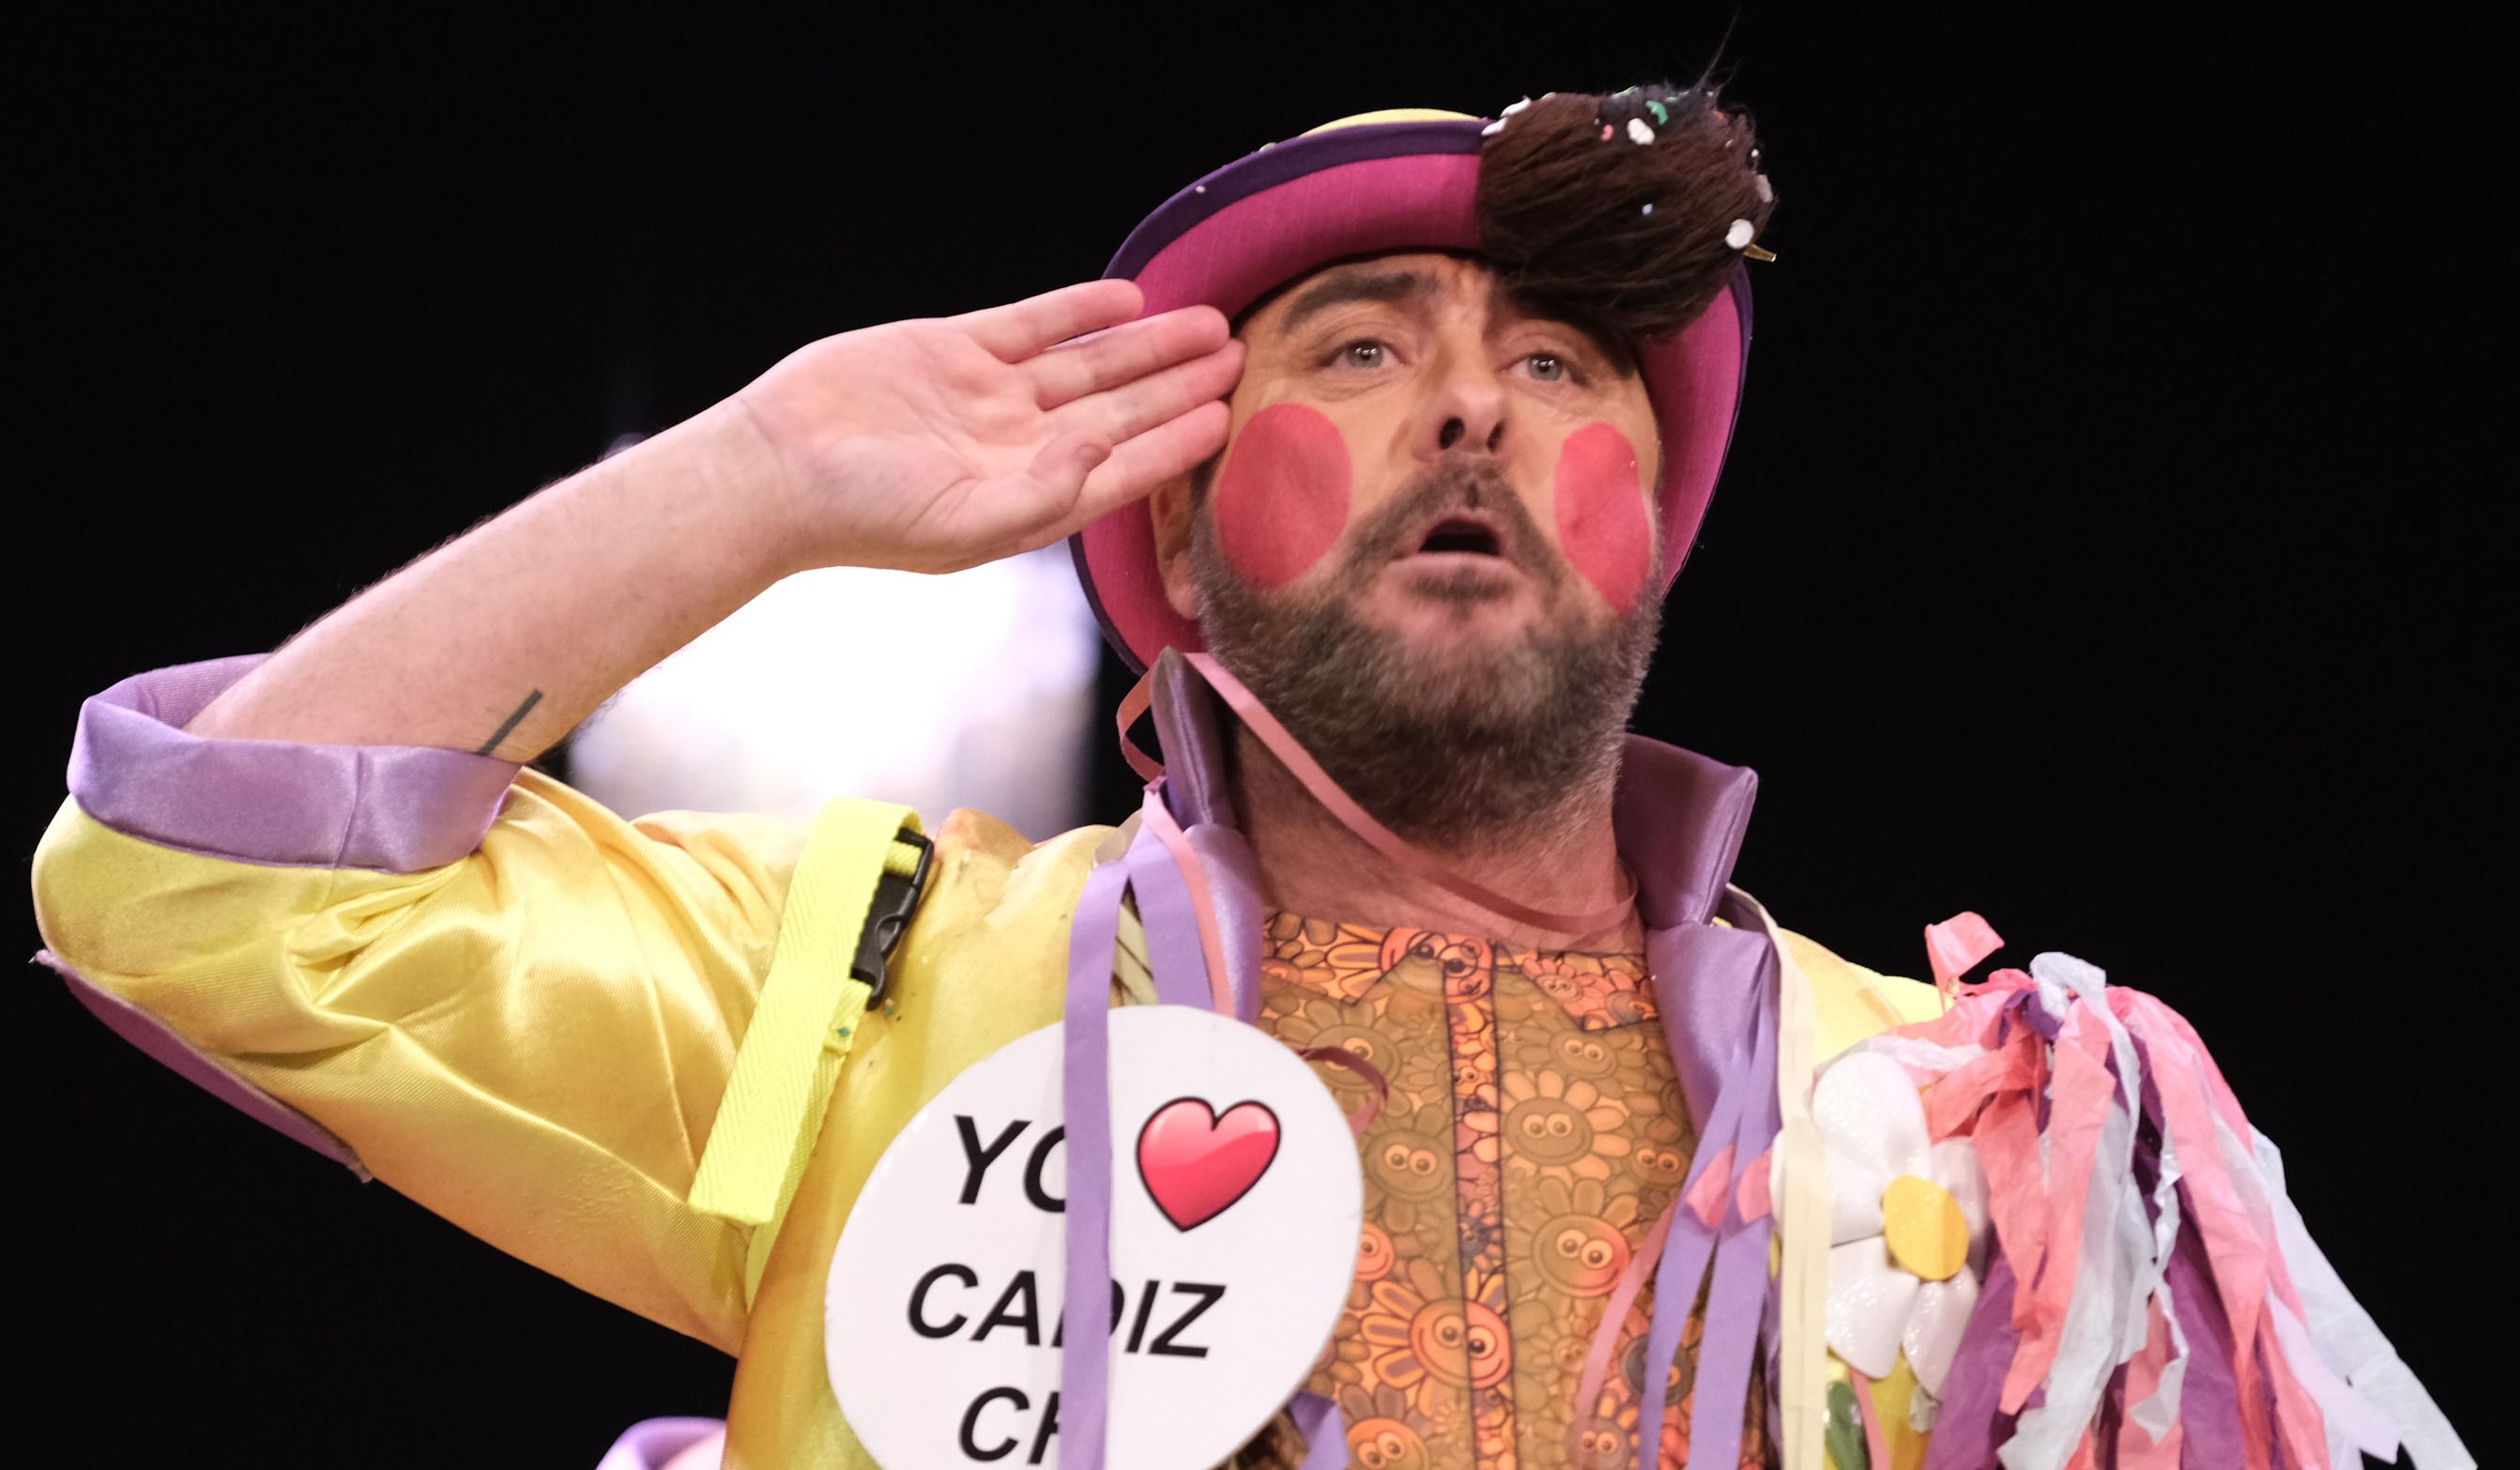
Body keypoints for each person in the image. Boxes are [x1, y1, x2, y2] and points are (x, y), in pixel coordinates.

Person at [29, 85, 2467, 1470]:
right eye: (1364, 350)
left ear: (1650, 528)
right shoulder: (855, 996)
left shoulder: (2000, 1132)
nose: (1473, 404)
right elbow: (189, 880)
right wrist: (751, 482)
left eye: (1561, 365)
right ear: (1176, 529)